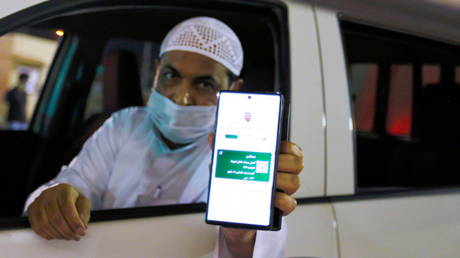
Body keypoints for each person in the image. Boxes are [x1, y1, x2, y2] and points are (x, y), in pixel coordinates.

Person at [25, 17, 303, 257]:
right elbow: (76, 183)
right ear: (156, 71)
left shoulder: (240, 151)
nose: (181, 97)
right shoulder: (124, 124)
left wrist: (242, 233)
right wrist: (53, 199)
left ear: (235, 88)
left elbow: (250, 248)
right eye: (171, 75)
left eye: (204, 84)